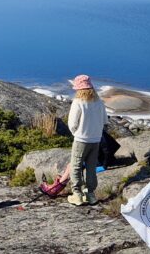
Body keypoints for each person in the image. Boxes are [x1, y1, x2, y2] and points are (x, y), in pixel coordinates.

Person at [66, 75, 107, 206]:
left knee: (76, 165)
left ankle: (77, 194)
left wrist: (76, 133)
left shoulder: (78, 102)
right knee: (91, 166)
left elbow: (72, 123)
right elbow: (105, 121)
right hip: (95, 139)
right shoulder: (99, 102)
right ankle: (90, 194)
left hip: (81, 139)